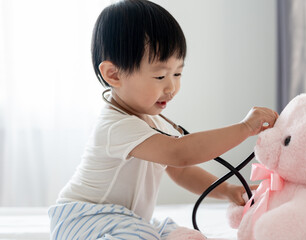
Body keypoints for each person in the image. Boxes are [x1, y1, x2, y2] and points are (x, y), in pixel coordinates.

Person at [48, 0, 278, 239]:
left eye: (177, 73)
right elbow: (180, 153)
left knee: (190, 237)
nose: (172, 86)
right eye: (160, 75)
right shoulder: (115, 126)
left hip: (128, 220)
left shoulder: (152, 121)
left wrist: (228, 190)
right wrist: (244, 128)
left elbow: (181, 171)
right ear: (114, 75)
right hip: (86, 219)